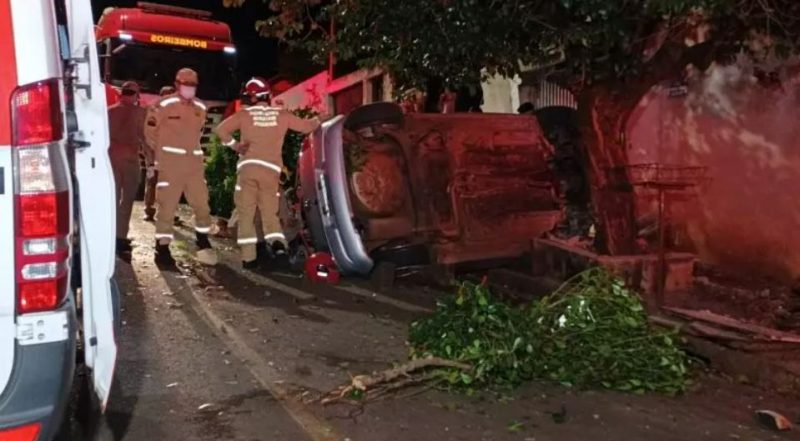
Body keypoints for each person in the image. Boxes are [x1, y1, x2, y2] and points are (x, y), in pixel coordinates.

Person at [213, 77, 320, 269]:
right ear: (268, 96)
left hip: (247, 170)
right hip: (270, 172)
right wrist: (320, 119)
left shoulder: (244, 115)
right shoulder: (282, 115)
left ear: (250, 97)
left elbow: (220, 130)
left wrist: (236, 146)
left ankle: (249, 259)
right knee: (270, 215)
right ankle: (278, 247)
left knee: (246, 216)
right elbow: (306, 126)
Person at [144, 68, 217, 266]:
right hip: (171, 165)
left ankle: (202, 239)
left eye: (193, 85)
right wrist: (163, 153)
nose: (189, 88)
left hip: (193, 165)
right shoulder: (163, 105)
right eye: (186, 84)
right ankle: (162, 249)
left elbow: (198, 133)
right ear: (177, 84)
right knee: (167, 207)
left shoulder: (200, 107)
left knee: (202, 204)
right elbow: (150, 133)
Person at [108, 81, 147, 256]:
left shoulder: (109, 112)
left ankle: (109, 235)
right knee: (127, 200)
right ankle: (120, 237)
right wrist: (152, 160)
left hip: (111, 158)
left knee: (113, 199)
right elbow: (145, 138)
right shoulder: (140, 113)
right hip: (130, 159)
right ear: (136, 95)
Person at [143, 85, 176, 222]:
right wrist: (149, 154)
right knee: (152, 182)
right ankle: (149, 211)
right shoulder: (152, 112)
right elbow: (147, 133)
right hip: (155, 154)